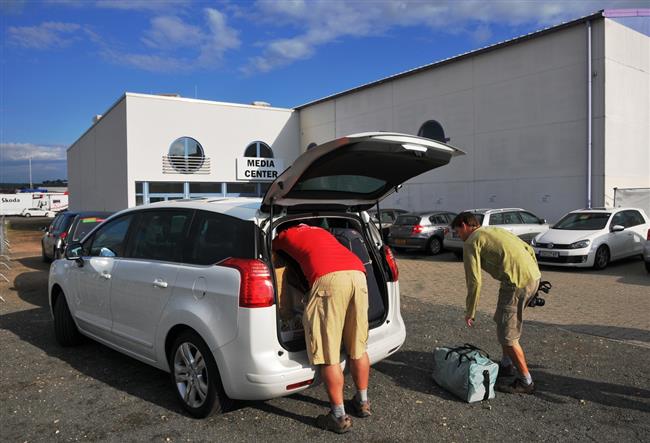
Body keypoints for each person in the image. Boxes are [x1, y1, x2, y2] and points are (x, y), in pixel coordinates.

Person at [272, 223, 371, 433]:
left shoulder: (284, 234)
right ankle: (363, 402)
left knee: (329, 352)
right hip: (358, 273)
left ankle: (338, 416)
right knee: (358, 346)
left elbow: (271, 254)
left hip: (328, 279)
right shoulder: (321, 230)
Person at [450, 212, 541, 394]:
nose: (458, 236)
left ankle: (526, 381)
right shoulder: (493, 230)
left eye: (457, 231)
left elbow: (474, 281)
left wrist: (471, 311)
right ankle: (507, 365)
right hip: (532, 277)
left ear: (465, 225)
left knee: (508, 336)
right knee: (502, 320)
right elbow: (529, 250)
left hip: (516, 284)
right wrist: (533, 280)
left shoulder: (472, 241)